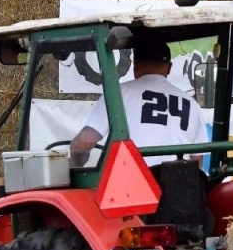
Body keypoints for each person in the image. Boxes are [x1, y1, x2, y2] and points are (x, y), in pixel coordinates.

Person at [69, 32, 205, 168]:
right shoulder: (192, 105)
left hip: (133, 183)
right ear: (169, 68)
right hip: (179, 184)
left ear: (135, 65)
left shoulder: (117, 94)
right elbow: (197, 159)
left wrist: (74, 168)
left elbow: (84, 143)